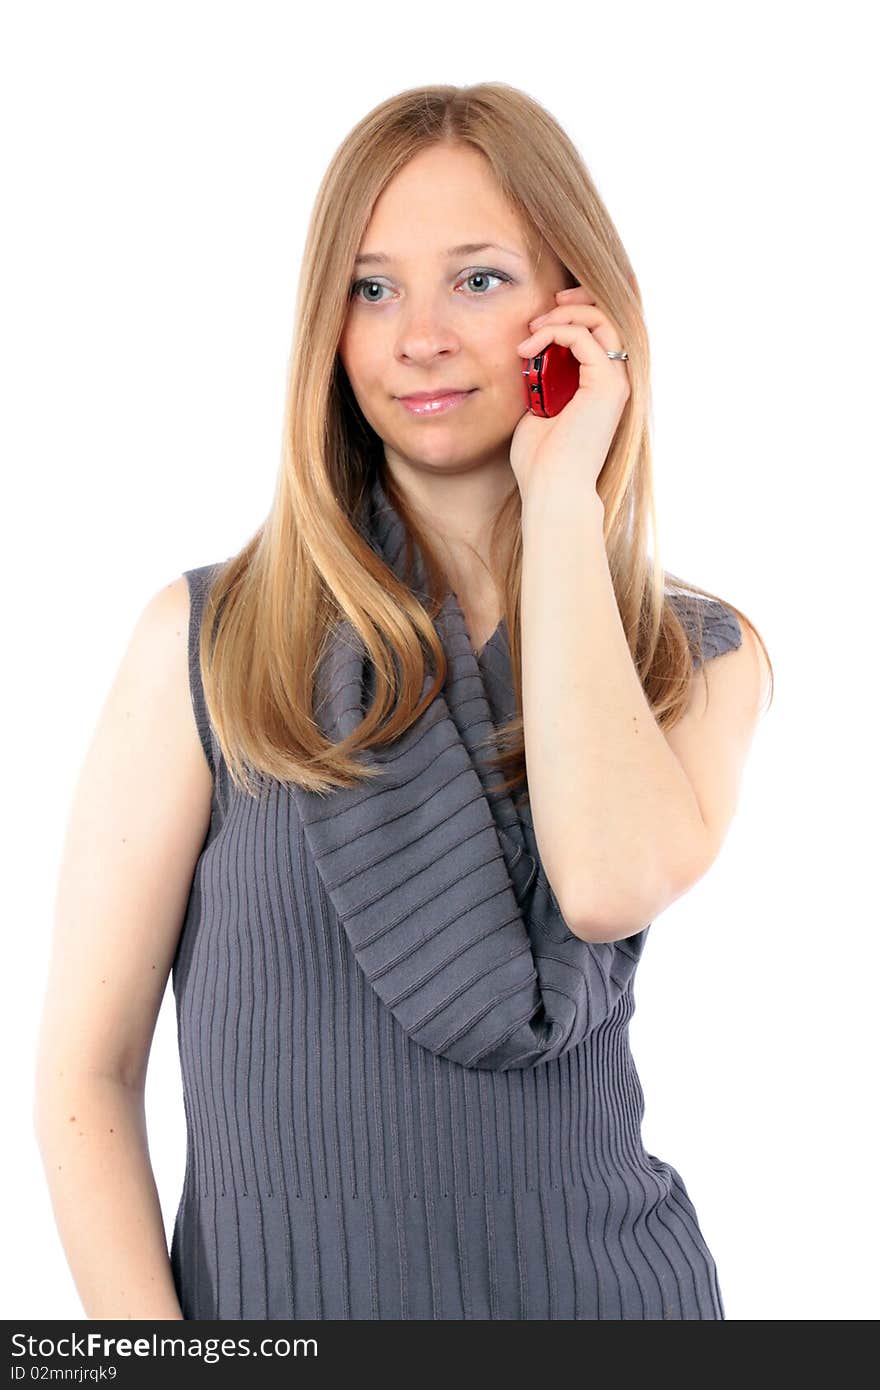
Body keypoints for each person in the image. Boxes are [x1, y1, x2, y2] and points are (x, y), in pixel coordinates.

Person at [33, 82, 773, 1321]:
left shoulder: (696, 655)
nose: (415, 336)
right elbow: (85, 1077)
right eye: (370, 289)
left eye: (477, 280)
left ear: (575, 311)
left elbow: (598, 883)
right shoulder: (209, 643)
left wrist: (560, 504)